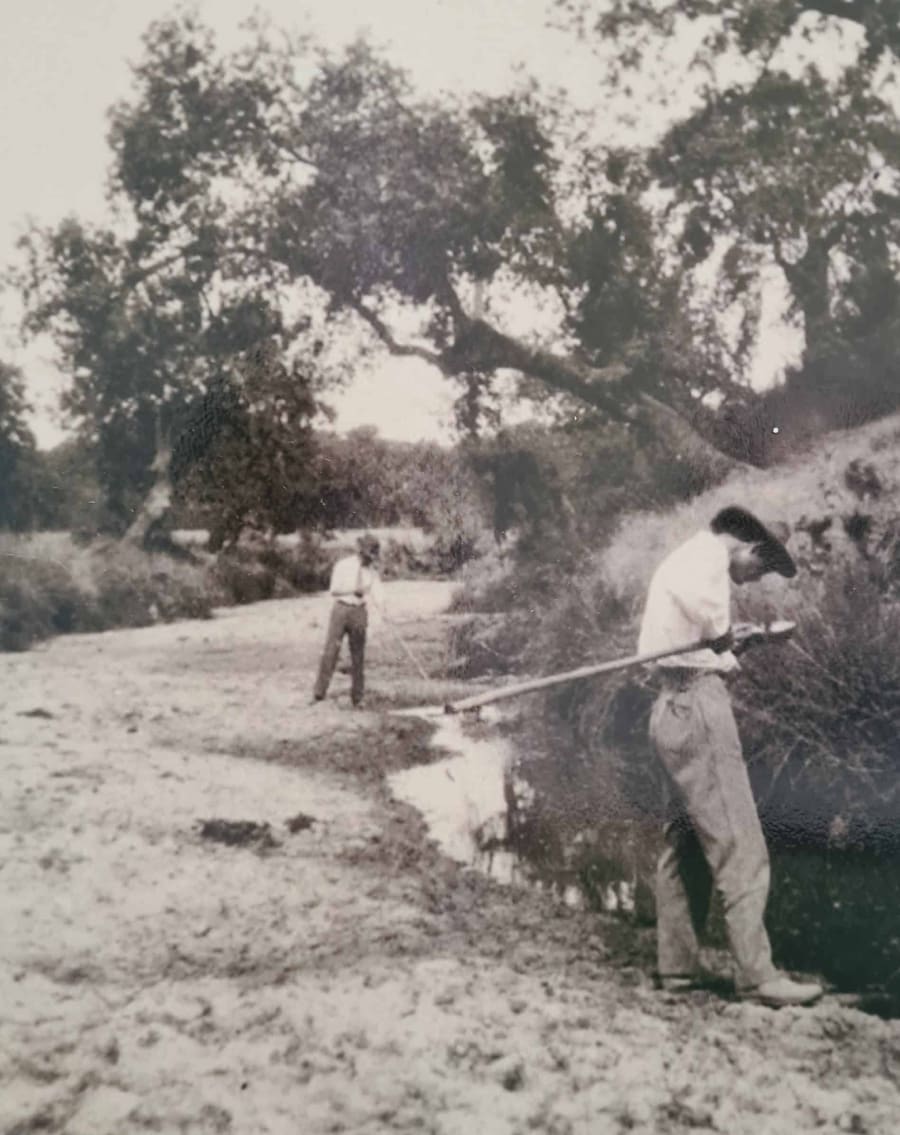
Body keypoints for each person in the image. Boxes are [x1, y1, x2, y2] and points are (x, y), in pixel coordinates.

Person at [637, 506, 823, 1008]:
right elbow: (714, 626)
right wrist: (725, 638)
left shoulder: (683, 558)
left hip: (669, 706)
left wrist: (738, 642)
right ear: (747, 548)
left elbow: (705, 639)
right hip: (697, 706)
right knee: (741, 845)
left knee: (687, 844)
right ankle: (758, 977)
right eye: (757, 570)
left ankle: (676, 970)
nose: (749, 580)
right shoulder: (710, 559)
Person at [312, 534, 385, 707]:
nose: (370, 559)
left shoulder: (372, 571)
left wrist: (383, 608)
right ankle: (319, 693)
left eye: (373, 556)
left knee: (358, 655)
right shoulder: (343, 565)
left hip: (360, 612)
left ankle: (357, 698)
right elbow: (334, 590)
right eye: (368, 555)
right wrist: (354, 590)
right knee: (331, 651)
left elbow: (378, 592)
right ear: (361, 552)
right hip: (341, 610)